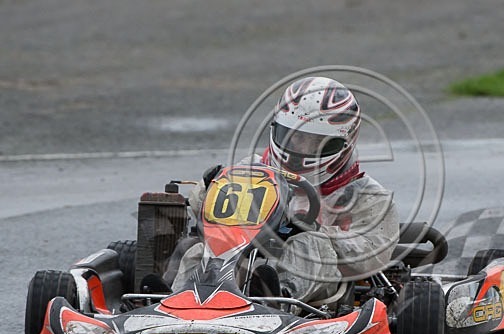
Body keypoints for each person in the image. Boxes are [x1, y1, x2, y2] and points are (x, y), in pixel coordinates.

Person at [171, 76, 400, 303]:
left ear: (343, 144)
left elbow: (372, 254)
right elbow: (204, 208)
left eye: (316, 142)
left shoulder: (368, 195)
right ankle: (178, 302)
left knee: (306, 245)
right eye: (295, 137)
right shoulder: (252, 170)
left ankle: (277, 299)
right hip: (241, 260)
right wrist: (210, 189)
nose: (301, 148)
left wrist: (316, 232)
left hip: (317, 284)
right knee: (202, 249)